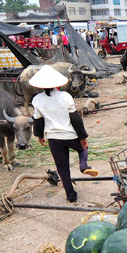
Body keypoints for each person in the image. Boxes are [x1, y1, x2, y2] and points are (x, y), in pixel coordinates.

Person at [30, 65, 98, 204]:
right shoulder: (65, 96)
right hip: (70, 135)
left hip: (53, 139)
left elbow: (38, 120)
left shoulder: (37, 99)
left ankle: (71, 196)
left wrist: (39, 135)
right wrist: (82, 137)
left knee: (62, 168)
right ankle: (83, 165)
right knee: (83, 148)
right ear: (57, 84)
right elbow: (75, 118)